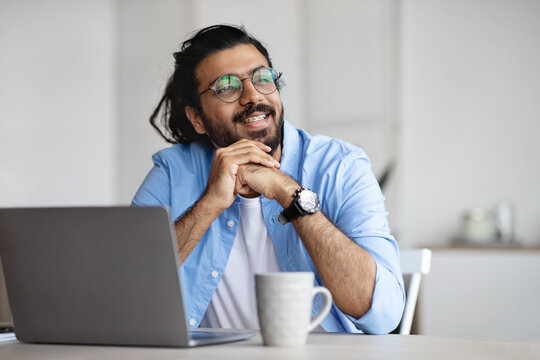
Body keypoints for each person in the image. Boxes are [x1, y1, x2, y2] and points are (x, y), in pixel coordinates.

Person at [132, 24, 405, 334]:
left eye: (262, 78)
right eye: (226, 87)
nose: (252, 96)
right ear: (197, 118)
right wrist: (209, 204)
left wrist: (291, 194)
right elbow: (123, 292)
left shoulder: (341, 166)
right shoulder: (172, 172)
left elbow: (384, 314)